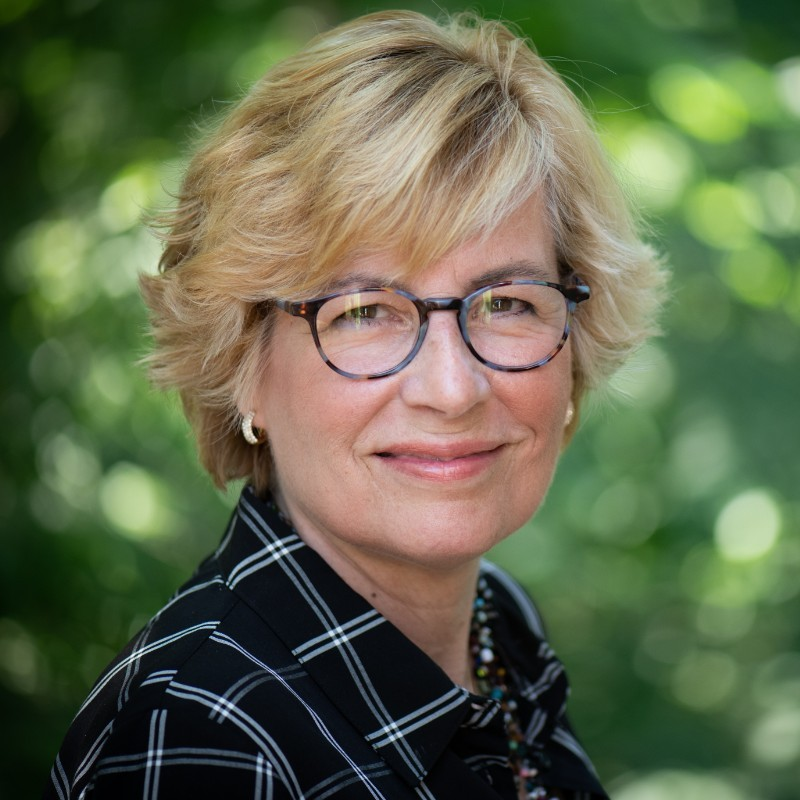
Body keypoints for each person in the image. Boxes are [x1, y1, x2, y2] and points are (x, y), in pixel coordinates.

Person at [45, 9, 666, 800]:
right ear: (242, 365)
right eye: (365, 312)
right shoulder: (203, 734)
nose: (453, 389)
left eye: (507, 302)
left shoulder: (495, 627)